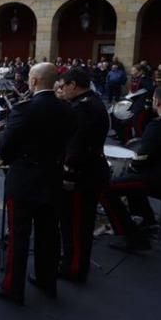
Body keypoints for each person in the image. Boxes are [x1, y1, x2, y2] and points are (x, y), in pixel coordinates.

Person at [0, 63, 76, 306]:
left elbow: (6, 147)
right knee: (49, 232)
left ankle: (12, 288)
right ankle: (47, 281)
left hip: (24, 178)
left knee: (19, 235)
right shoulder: (67, 108)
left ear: (34, 81)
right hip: (53, 176)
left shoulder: (24, 109)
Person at [100, 85, 161, 251]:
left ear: (157, 102)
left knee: (105, 188)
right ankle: (148, 221)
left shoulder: (159, 125)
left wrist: (132, 165)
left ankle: (131, 236)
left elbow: (142, 157)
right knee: (131, 180)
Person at [57, 69, 110, 282]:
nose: (61, 90)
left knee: (77, 224)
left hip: (82, 176)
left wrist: (67, 176)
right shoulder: (92, 101)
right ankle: (71, 261)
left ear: (73, 85)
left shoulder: (83, 109)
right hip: (90, 169)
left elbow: (75, 147)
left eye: (63, 86)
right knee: (75, 223)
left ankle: (75, 269)